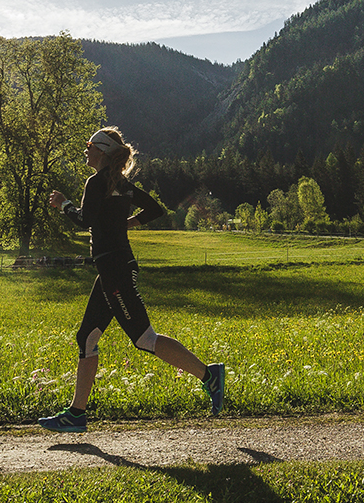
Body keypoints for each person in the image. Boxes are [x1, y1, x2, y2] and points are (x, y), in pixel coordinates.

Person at [38, 126, 224, 433]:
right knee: (86, 337)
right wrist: (126, 223)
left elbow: (85, 220)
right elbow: (154, 209)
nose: (86, 150)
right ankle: (76, 414)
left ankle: (209, 376)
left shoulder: (98, 182)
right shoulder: (119, 184)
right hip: (112, 268)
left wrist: (64, 205)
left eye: (90, 145)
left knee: (144, 339)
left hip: (115, 271)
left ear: (101, 150)